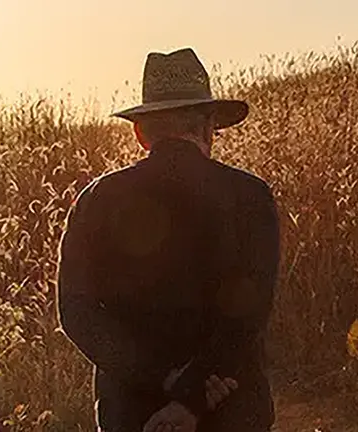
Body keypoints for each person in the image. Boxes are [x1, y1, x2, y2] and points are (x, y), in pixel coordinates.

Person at [59, 48, 280, 432]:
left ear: (141, 134)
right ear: (209, 127)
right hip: (232, 412)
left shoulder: (96, 200)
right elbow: (250, 312)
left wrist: (162, 379)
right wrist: (193, 397)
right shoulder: (250, 195)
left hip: (134, 415)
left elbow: (76, 312)